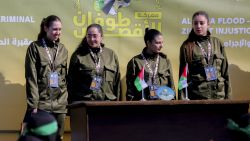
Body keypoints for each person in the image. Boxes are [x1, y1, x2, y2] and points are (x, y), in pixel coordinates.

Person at [24, 15, 68, 141]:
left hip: (60, 104)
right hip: (42, 104)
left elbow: (64, 78)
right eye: (55, 29)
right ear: (45, 28)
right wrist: (33, 105)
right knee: (41, 138)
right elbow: (31, 78)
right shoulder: (34, 48)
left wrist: (65, 103)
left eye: (60, 29)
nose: (58, 32)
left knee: (58, 137)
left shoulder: (63, 50)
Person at [178, 11, 231, 100]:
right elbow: (182, 77)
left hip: (219, 96)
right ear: (192, 25)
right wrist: (182, 100)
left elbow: (225, 73)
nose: (198, 26)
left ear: (208, 24)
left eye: (202, 23)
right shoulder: (186, 46)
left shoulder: (217, 43)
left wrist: (228, 99)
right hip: (198, 97)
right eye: (195, 23)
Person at [68, 23, 121, 102]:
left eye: (95, 36)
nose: (92, 39)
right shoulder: (78, 55)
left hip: (107, 104)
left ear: (101, 37)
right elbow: (71, 83)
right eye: (89, 36)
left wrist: (117, 104)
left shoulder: (111, 55)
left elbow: (117, 83)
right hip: (85, 103)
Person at [126, 28, 175, 101]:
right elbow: (130, 91)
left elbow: (171, 86)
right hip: (143, 107)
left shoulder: (165, 61)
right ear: (148, 43)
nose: (161, 46)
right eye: (158, 43)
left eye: (162, 42)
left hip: (163, 106)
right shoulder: (135, 62)